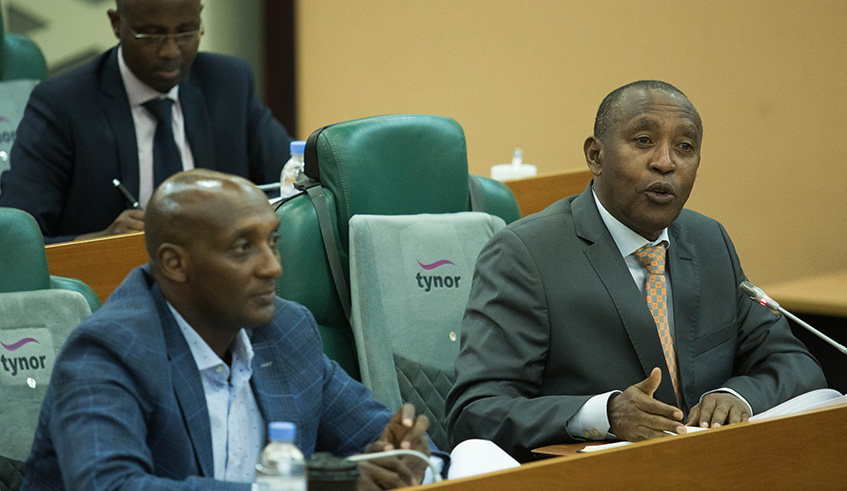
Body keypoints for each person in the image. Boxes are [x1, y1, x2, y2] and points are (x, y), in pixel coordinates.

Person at [445, 80, 827, 462]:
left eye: (685, 147)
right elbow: (476, 411)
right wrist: (601, 414)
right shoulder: (525, 253)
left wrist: (735, 396)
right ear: (596, 155)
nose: (666, 161)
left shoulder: (708, 241)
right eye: (644, 140)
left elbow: (793, 363)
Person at [22, 170, 435, 490]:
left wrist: (398, 453)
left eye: (273, 241)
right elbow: (112, 487)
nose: (272, 267)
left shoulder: (287, 331)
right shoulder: (107, 352)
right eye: (243, 247)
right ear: (174, 264)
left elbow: (376, 434)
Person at [0, 0, 292, 243]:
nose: (170, 51)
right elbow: (16, 238)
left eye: (186, 32)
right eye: (151, 35)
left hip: (218, 287)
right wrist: (99, 241)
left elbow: (291, 186)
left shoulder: (228, 84)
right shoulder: (63, 104)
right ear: (117, 24)